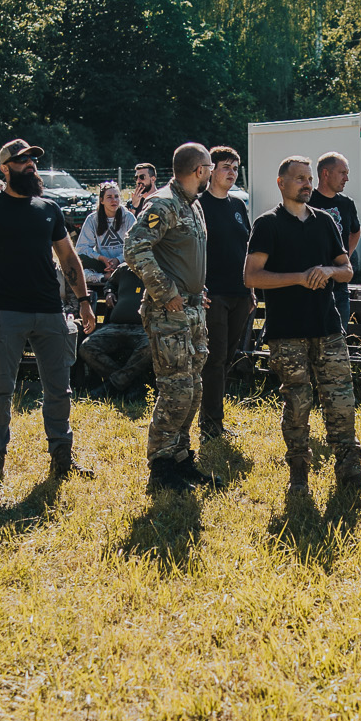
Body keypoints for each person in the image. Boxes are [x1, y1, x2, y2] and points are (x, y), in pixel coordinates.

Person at [0, 138, 96, 481]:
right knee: (1, 389)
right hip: (7, 314)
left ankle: (62, 458)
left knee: (59, 388)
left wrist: (84, 301)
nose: (30, 165)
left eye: (33, 159)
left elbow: (67, 257)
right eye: (22, 161)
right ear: (5, 168)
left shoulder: (48, 208)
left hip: (51, 312)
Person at [244, 155, 361, 494]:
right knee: (297, 404)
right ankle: (298, 470)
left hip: (327, 326)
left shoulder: (325, 221)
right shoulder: (268, 224)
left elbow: (347, 269)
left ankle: (350, 470)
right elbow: (251, 276)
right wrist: (298, 277)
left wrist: (328, 271)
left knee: (340, 401)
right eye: (299, 178)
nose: (307, 184)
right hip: (287, 332)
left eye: (309, 178)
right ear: (282, 183)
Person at [126, 141, 213, 491]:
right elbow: (134, 248)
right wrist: (167, 291)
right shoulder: (163, 203)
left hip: (191, 310)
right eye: (209, 166)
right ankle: (160, 469)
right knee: (175, 390)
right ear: (199, 170)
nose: (211, 172)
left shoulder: (193, 205)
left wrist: (194, 290)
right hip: (167, 312)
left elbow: (183, 256)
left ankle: (179, 460)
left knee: (192, 389)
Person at [197, 145, 253, 443]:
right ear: (209, 171)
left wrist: (252, 289)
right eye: (225, 167)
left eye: (235, 167)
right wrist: (198, 287)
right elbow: (191, 251)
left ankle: (212, 419)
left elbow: (246, 250)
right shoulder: (199, 205)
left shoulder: (238, 206)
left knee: (227, 357)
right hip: (212, 294)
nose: (231, 172)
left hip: (240, 294)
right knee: (214, 359)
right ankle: (210, 426)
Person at [307, 151, 361, 337]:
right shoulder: (308, 202)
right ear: (325, 173)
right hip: (311, 286)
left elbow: (356, 230)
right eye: (342, 173)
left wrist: (345, 255)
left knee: (338, 341)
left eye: (347, 173)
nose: (347, 178)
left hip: (339, 286)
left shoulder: (346, 204)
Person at [77, 266, 151, 395]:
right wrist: (109, 293)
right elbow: (110, 283)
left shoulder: (160, 269)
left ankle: (111, 386)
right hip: (116, 326)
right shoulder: (123, 270)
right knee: (87, 347)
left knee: (151, 346)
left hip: (144, 328)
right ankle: (130, 384)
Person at [75, 181, 130, 287]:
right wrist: (101, 258)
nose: (114, 200)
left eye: (116, 196)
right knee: (78, 261)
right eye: (109, 197)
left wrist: (118, 259)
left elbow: (134, 246)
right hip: (102, 265)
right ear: (102, 200)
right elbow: (81, 248)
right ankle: (104, 277)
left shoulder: (128, 217)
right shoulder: (92, 219)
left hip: (124, 263)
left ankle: (116, 276)